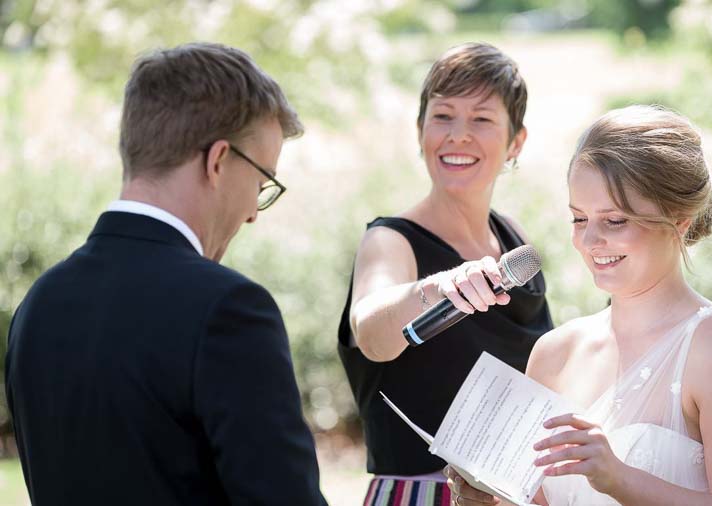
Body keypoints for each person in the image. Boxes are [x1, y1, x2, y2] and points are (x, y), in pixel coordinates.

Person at [447, 105, 712, 505]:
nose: (590, 241)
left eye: (614, 221)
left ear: (679, 219)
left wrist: (619, 479)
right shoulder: (553, 355)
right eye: (579, 219)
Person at [5, 42, 327, 505]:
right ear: (218, 161)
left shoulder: (39, 303)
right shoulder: (228, 309)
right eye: (261, 184)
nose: (254, 214)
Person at [337, 42, 553, 505]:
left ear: (516, 141)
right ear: (419, 132)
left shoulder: (512, 235)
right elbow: (371, 330)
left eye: (481, 119)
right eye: (442, 116)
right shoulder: (390, 241)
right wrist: (437, 289)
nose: (458, 135)